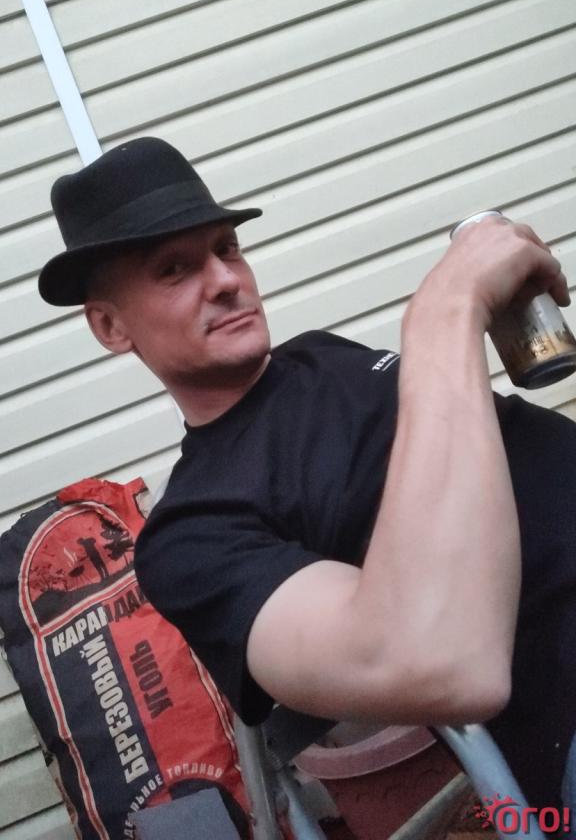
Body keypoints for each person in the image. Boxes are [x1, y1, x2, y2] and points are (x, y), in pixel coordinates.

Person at [39, 136, 576, 813]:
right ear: (111, 327)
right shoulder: (190, 536)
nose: (226, 279)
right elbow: (438, 661)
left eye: (227, 248)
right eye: (174, 269)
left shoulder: (320, 355)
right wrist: (445, 313)